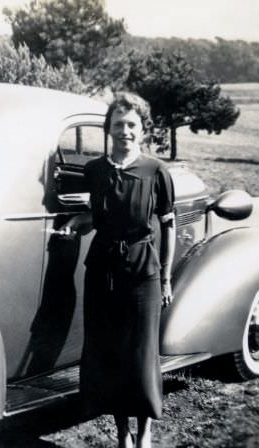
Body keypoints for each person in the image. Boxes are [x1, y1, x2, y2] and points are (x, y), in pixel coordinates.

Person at [77, 92, 176, 448]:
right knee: (112, 351)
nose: (125, 131)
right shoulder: (95, 171)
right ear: (108, 129)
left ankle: (145, 431)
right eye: (118, 124)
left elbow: (169, 225)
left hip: (142, 272)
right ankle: (123, 434)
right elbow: (99, 215)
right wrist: (79, 222)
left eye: (132, 125)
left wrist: (165, 277)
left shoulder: (156, 171)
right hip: (102, 269)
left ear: (143, 130)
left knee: (141, 353)